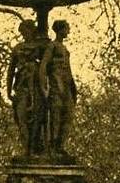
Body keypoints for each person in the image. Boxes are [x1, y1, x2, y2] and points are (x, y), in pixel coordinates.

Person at [7, 19, 50, 156]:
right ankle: (27, 148)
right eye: (22, 32)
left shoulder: (42, 46)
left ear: (32, 30)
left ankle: (35, 149)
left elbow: (48, 67)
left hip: (37, 88)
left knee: (38, 119)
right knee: (22, 119)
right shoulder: (18, 48)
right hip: (21, 88)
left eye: (25, 31)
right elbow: (10, 71)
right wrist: (8, 91)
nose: (23, 34)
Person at [38, 19, 78, 155]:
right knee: (55, 117)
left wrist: (73, 87)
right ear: (60, 30)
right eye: (67, 28)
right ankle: (53, 146)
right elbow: (43, 66)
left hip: (66, 87)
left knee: (68, 116)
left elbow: (69, 69)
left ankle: (60, 145)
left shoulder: (65, 49)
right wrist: (44, 87)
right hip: (56, 86)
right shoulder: (52, 46)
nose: (69, 30)